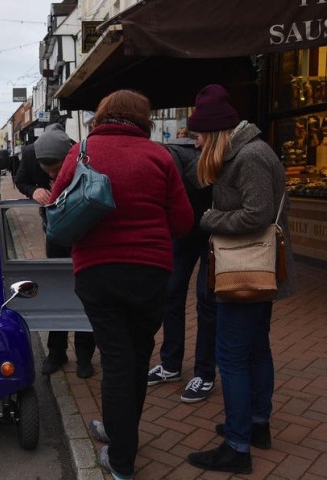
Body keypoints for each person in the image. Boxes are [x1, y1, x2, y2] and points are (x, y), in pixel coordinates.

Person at [49, 90, 193, 480]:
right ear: (143, 117)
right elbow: (182, 221)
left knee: (114, 359)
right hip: (151, 272)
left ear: (103, 114)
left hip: (98, 270)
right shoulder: (161, 156)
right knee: (138, 354)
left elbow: (60, 200)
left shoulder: (83, 151)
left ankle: (121, 457)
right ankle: (121, 434)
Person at [185, 84, 295, 474]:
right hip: (252, 270)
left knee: (231, 356)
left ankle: (236, 445)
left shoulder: (249, 156)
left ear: (215, 132)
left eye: (198, 135)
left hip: (246, 271)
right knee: (253, 349)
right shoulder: (245, 152)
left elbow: (256, 215)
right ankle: (256, 425)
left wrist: (209, 220)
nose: (195, 143)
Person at [14, 124, 97, 379]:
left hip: (82, 228)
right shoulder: (28, 156)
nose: (51, 173)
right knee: (58, 286)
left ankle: (85, 355)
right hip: (54, 229)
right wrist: (33, 190)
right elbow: (20, 180)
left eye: (56, 167)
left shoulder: (81, 154)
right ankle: (56, 352)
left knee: (85, 289)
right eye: (46, 169)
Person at [147, 133, 218, 403]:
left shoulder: (191, 165)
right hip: (184, 229)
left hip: (213, 230)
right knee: (171, 293)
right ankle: (170, 365)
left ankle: (204, 373)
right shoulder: (158, 162)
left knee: (207, 300)